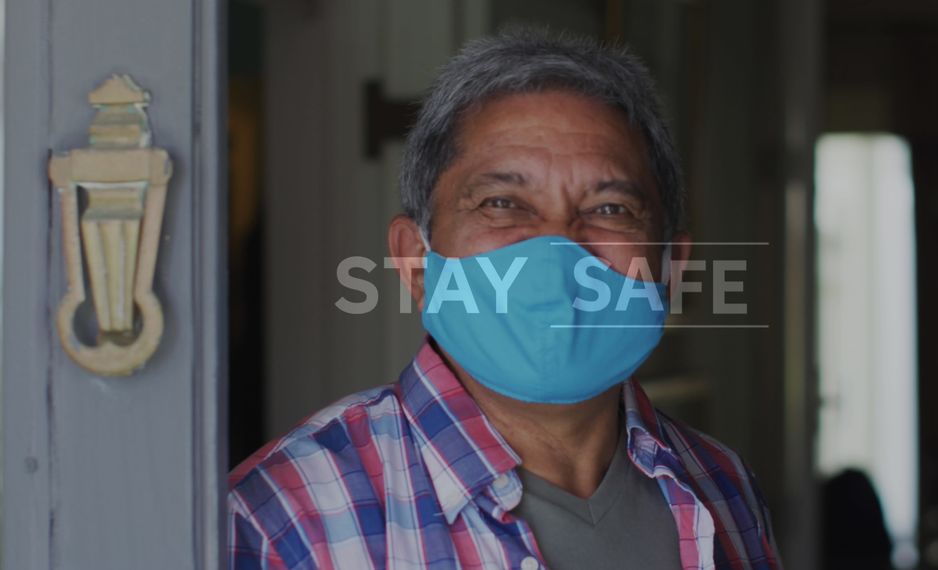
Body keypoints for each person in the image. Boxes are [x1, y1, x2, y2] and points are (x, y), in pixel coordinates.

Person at [228, 27, 781, 570]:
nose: (557, 249)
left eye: (610, 209)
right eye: (501, 203)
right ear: (415, 260)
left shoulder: (723, 487)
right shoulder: (280, 519)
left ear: (670, 267)